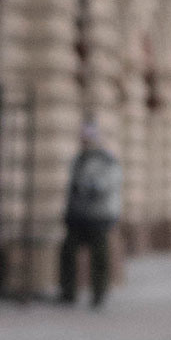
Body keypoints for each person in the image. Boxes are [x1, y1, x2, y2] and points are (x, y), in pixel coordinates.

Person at [58, 121, 123, 307]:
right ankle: (68, 292)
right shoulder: (79, 159)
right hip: (77, 215)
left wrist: (88, 187)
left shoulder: (106, 160)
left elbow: (107, 184)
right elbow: (71, 187)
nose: (84, 142)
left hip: (99, 216)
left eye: (87, 138)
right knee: (68, 253)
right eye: (83, 138)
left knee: (99, 257)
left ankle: (99, 294)